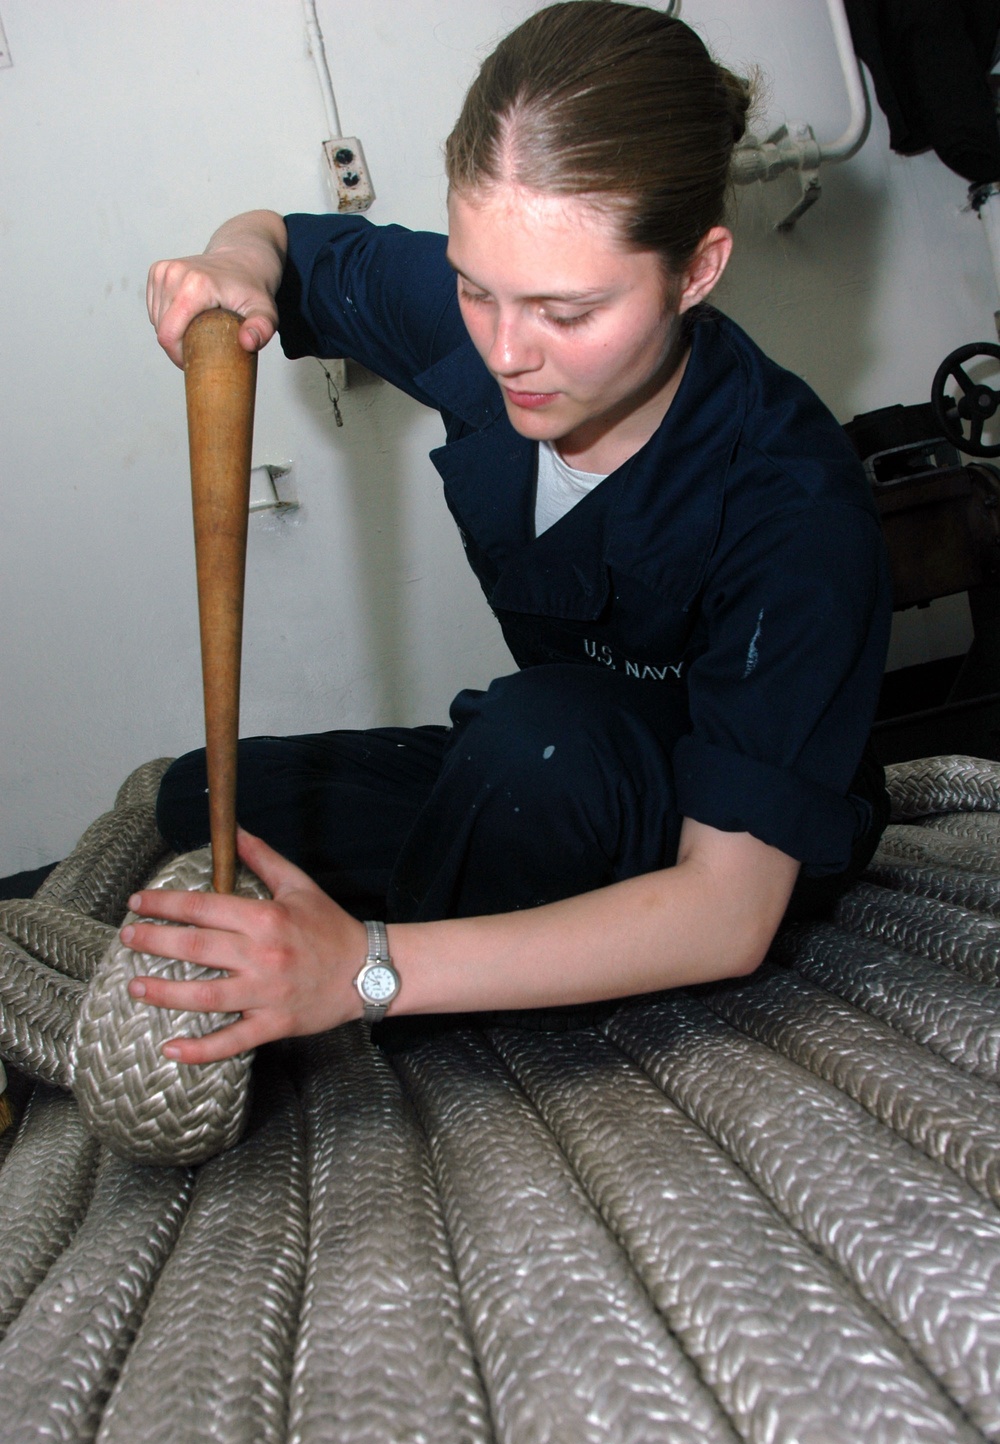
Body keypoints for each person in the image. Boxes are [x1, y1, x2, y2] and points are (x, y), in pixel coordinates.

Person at [132, 0, 891, 1063]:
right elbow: (281, 241)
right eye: (474, 290)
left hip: (717, 828)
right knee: (204, 801)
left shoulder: (794, 504)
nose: (505, 350)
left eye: (566, 313)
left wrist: (362, 967)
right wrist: (226, 269)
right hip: (544, 763)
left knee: (548, 740)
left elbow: (729, 912)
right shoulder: (484, 316)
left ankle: (425, 966)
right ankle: (478, 904)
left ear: (699, 268)